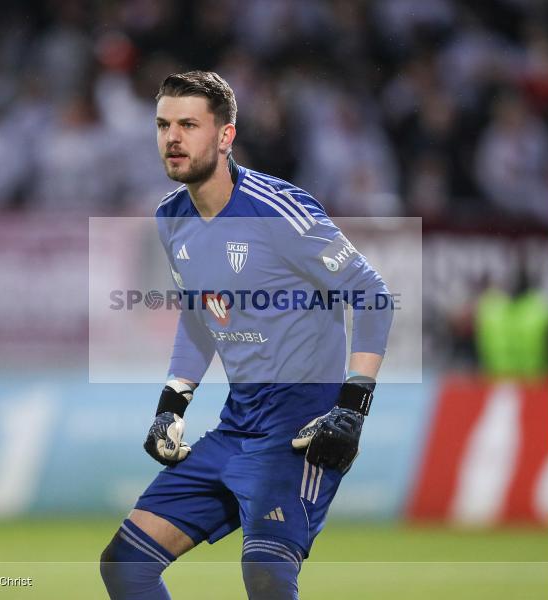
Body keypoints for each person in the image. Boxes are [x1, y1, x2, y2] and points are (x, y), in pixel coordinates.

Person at [99, 71, 393, 600]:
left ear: (225, 136)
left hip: (300, 428)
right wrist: (173, 403)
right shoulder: (171, 218)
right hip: (238, 425)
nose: (172, 137)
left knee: (266, 577)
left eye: (189, 124)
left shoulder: (278, 209)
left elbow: (370, 294)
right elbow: (201, 314)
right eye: (163, 124)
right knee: (125, 565)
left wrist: (353, 406)